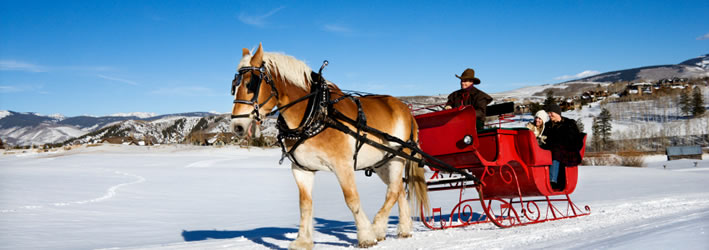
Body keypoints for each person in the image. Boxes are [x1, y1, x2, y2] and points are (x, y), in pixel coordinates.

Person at [539, 103, 583, 189]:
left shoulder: (569, 124)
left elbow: (575, 139)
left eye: (551, 113)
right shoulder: (547, 126)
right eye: (548, 113)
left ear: (557, 113)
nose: (549, 115)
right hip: (551, 149)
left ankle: (552, 180)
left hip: (568, 150)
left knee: (556, 151)